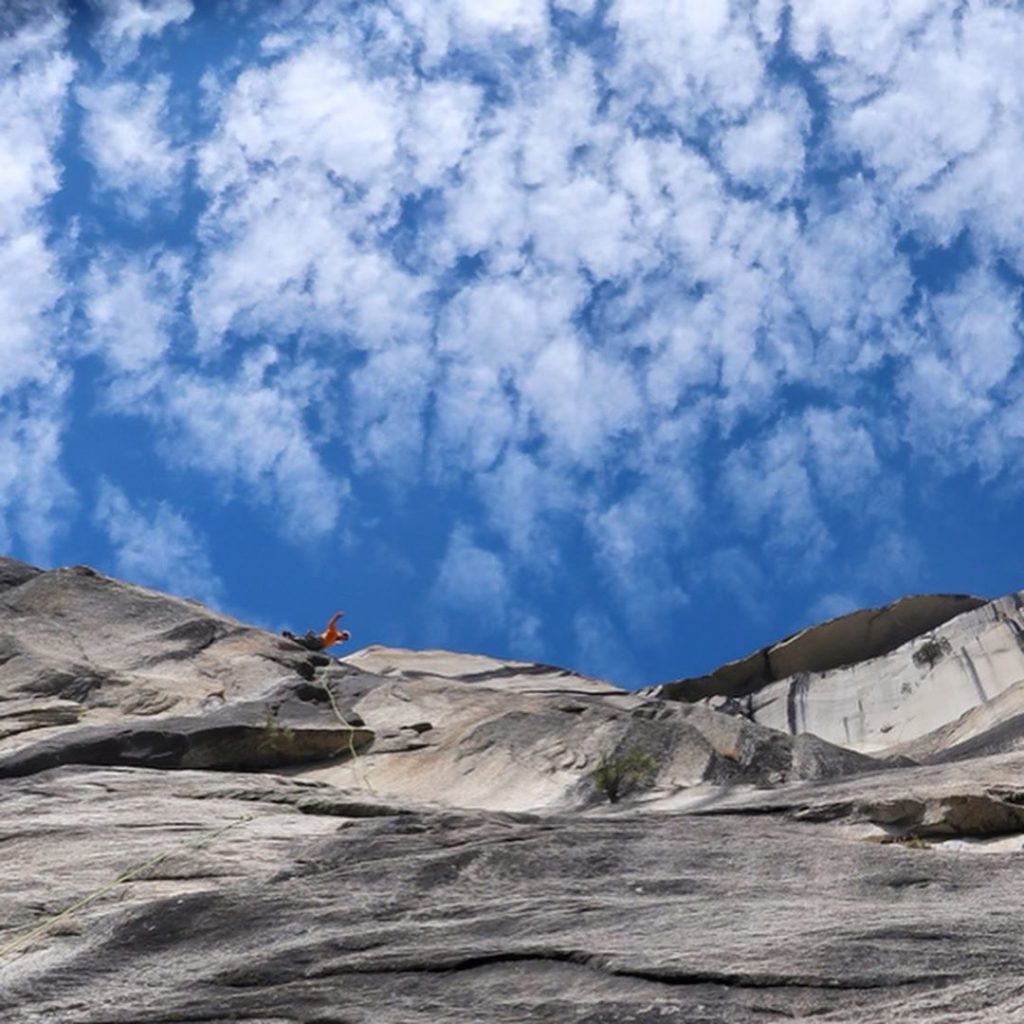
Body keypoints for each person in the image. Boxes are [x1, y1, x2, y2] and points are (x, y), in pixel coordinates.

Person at [282, 611, 350, 652]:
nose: (343, 638)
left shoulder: (335, 640)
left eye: (345, 639)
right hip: (319, 640)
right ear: (342, 633)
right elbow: (330, 624)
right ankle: (290, 635)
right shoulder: (334, 632)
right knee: (305, 641)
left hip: (320, 646)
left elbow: (334, 642)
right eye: (344, 636)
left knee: (306, 645)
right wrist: (336, 617)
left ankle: (291, 637)